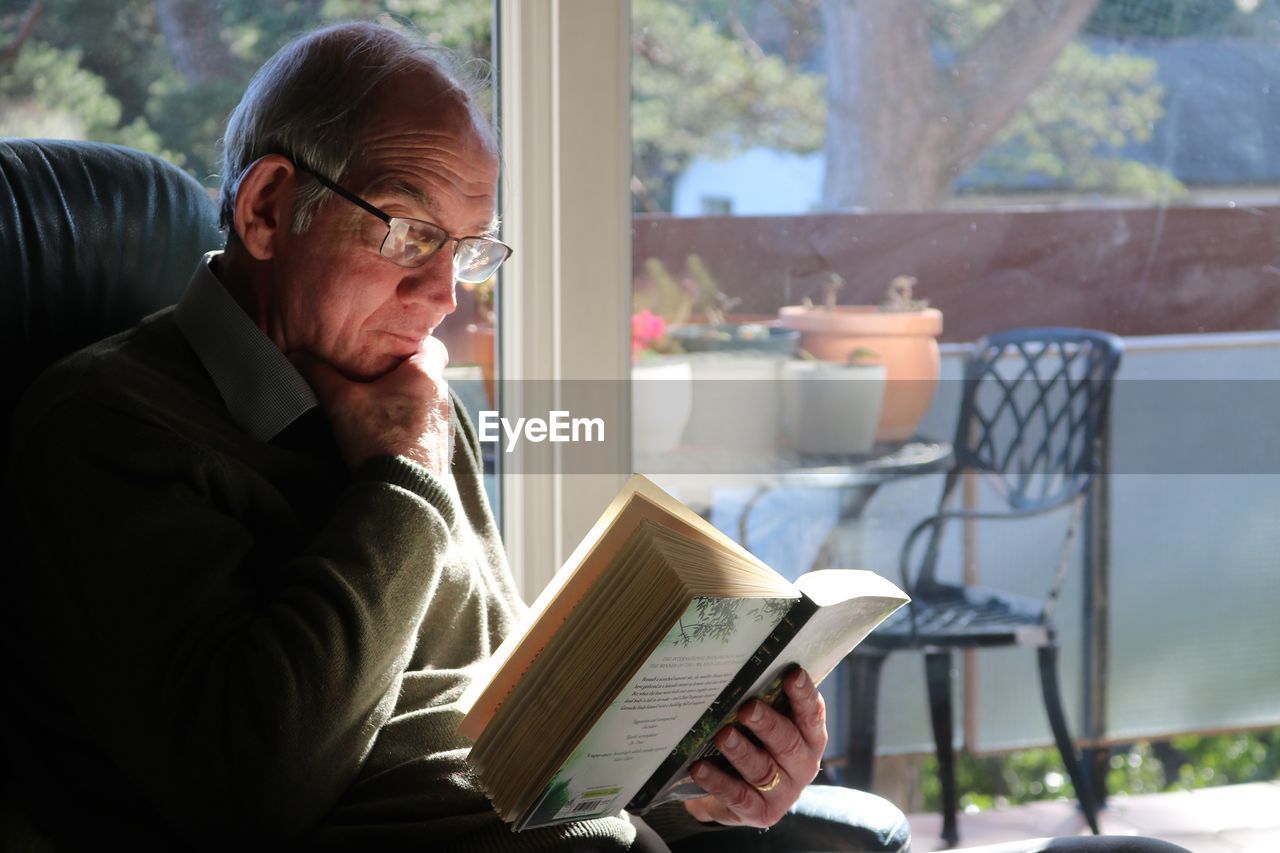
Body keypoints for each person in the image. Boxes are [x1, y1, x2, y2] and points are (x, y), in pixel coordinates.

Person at [3, 21, 908, 853]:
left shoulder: (412, 401)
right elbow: (254, 786)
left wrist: (700, 774)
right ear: (269, 208)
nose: (445, 298)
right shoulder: (105, 426)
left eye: (469, 250)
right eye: (411, 234)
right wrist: (401, 477)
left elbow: (509, 727)